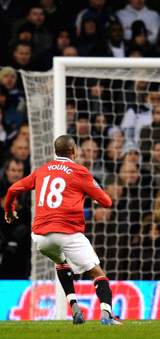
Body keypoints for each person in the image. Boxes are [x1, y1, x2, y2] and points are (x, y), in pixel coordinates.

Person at [3, 135, 120, 325]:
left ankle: (74, 308)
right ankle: (107, 314)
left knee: (60, 262)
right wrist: (91, 192)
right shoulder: (80, 172)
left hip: (41, 237)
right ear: (74, 152)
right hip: (68, 232)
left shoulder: (42, 170)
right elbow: (107, 202)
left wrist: (9, 210)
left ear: (55, 151)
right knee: (97, 273)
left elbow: (12, 190)